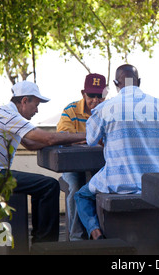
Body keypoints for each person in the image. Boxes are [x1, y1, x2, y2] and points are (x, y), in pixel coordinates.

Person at [74, 64, 159, 240]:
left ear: (115, 83)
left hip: (118, 182)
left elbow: (91, 139)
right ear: (139, 82)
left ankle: (96, 233)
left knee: (81, 195)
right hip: (156, 183)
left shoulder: (104, 109)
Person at [0, 81, 86, 243]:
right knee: (49, 186)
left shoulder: (5, 113)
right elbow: (48, 137)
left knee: (43, 186)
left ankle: (40, 240)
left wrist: (70, 141)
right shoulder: (9, 116)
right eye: (35, 105)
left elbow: (31, 144)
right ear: (24, 101)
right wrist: (86, 135)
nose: (37, 110)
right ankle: (45, 245)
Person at [56, 73, 107, 241]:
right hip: (73, 165)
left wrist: (78, 137)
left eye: (99, 96)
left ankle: (101, 233)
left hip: (99, 165)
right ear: (83, 93)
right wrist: (92, 137)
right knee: (76, 187)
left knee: (101, 189)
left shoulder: (108, 109)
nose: (95, 100)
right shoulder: (70, 110)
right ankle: (77, 237)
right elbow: (63, 135)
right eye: (91, 95)